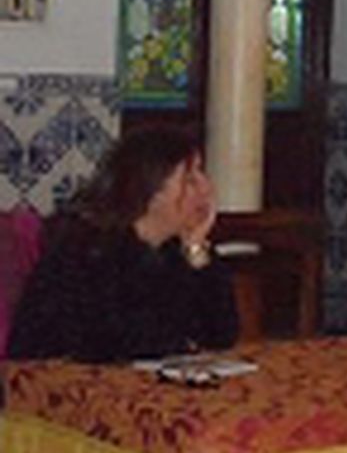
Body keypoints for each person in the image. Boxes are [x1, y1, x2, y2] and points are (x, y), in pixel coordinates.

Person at [7, 126, 238, 362]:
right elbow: (124, 343)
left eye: (202, 175)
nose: (206, 190)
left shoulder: (175, 251)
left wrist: (196, 248)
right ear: (151, 190)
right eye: (190, 180)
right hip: (63, 387)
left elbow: (222, 335)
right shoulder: (89, 251)